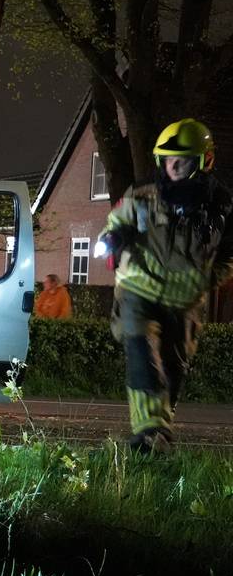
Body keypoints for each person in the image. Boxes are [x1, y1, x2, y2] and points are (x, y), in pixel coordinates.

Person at [97, 118, 233, 455]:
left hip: (185, 300)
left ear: (204, 161)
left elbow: (228, 256)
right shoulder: (143, 195)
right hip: (138, 289)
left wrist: (208, 278)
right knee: (142, 349)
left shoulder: (221, 208)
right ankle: (148, 433)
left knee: (172, 369)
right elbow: (116, 223)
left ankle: (155, 437)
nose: (172, 167)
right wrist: (112, 239)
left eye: (182, 160)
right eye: (167, 159)